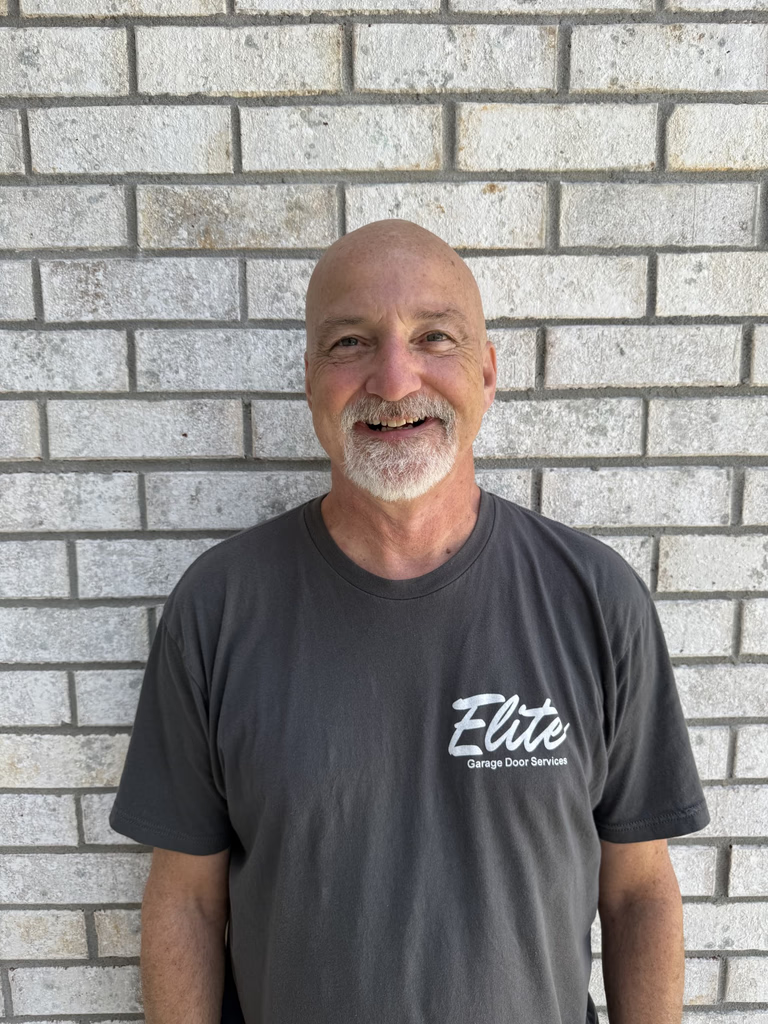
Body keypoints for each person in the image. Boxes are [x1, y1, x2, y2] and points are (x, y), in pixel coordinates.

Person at [109, 219, 710, 1024]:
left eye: (434, 337)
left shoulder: (598, 601)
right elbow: (186, 900)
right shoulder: (219, 609)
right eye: (351, 342)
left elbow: (638, 890)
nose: (394, 380)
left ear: (488, 373)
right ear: (309, 380)